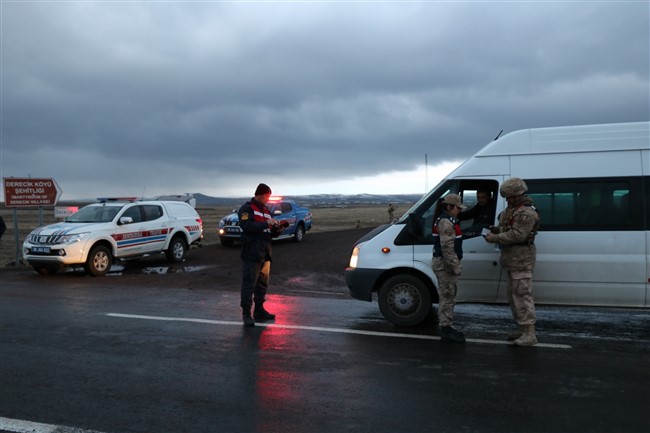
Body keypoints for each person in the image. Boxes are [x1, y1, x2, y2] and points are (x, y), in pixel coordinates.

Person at [484, 178, 540, 346]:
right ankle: (522, 329)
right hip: (512, 260)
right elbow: (509, 229)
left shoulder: (525, 213)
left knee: (522, 296)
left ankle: (530, 333)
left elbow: (518, 235)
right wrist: (497, 230)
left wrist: (495, 237)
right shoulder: (513, 210)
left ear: (518, 195)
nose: (507, 200)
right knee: (513, 296)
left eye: (509, 197)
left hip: (521, 260)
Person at [238, 183, 286, 327]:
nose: (267, 199)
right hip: (252, 252)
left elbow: (269, 231)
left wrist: (277, 229)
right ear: (259, 194)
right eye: (266, 196)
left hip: (265, 253)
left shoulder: (266, 210)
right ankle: (246, 313)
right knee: (249, 284)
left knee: (262, 284)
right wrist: (266, 223)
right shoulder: (247, 209)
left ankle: (259, 310)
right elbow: (247, 227)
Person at [431, 194, 467, 343]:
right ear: (449, 207)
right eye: (457, 208)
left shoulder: (448, 220)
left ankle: (446, 325)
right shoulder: (446, 222)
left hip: (445, 264)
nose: (459, 210)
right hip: (445, 266)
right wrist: (454, 266)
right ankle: (445, 328)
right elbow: (447, 248)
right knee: (447, 296)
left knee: (448, 295)